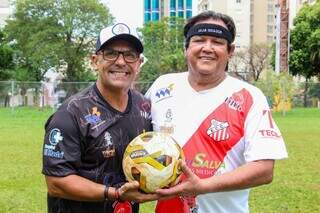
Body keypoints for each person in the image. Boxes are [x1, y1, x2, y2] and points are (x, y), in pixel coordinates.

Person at [145, 11, 288, 213]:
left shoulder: (250, 97)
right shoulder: (162, 87)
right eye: (199, 40)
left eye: (217, 42)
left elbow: (264, 170)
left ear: (230, 50)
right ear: (186, 48)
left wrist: (202, 187)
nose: (207, 48)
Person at [42, 23, 159, 213]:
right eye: (111, 53)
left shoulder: (144, 106)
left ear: (139, 63)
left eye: (130, 55)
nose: (121, 62)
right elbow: (57, 182)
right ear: (95, 60)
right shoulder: (71, 113)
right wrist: (115, 193)